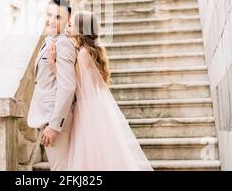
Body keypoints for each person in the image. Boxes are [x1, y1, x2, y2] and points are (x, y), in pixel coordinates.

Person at [48, 11, 153, 171]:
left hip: (86, 110)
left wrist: (53, 66)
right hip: (95, 107)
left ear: (81, 29)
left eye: (73, 24)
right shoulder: (90, 51)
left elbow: (73, 86)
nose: (69, 26)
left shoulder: (83, 54)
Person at [27, 0, 77, 171]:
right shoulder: (51, 40)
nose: (51, 20)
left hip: (55, 121)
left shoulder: (63, 43)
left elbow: (68, 86)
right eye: (49, 14)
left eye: (58, 17)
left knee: (60, 170)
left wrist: (55, 125)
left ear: (68, 21)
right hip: (49, 117)